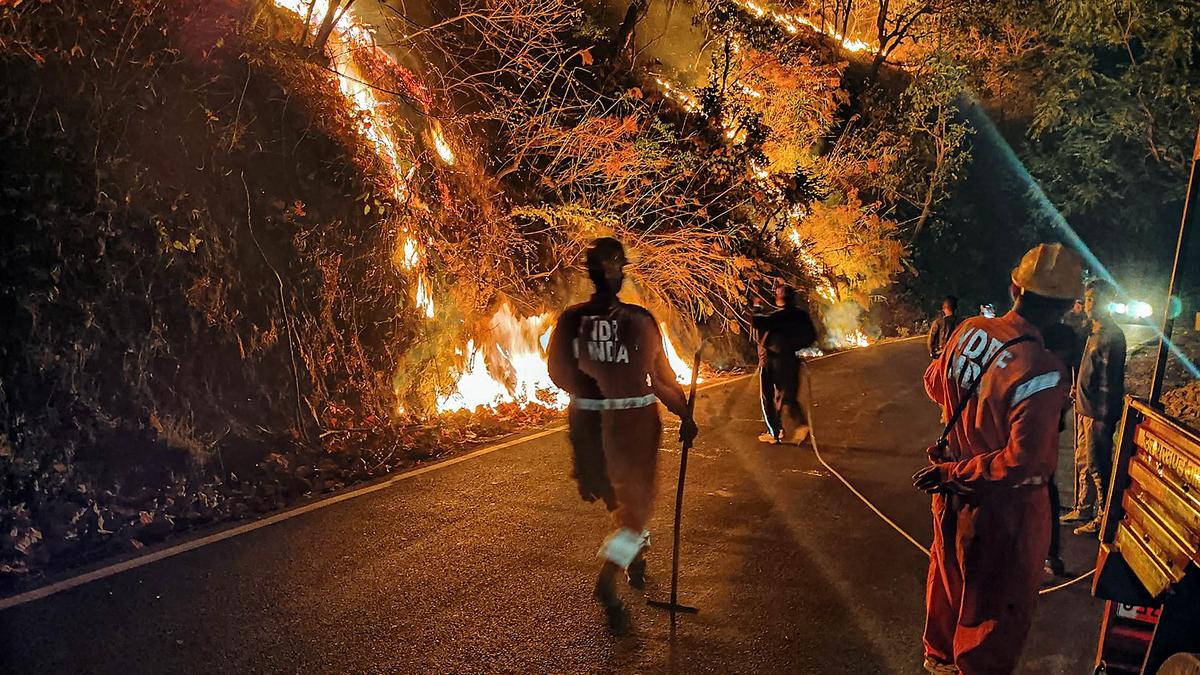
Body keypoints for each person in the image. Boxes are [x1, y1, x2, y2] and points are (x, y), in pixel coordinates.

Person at [915, 243, 1082, 674]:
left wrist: (956, 460)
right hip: (1002, 509)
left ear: (1014, 288)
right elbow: (1023, 463)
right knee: (993, 611)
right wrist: (963, 468)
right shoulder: (1042, 370)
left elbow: (935, 385)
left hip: (950, 493)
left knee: (949, 581)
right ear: (1067, 306)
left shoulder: (969, 329)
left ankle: (938, 661)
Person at [546, 237, 699, 626]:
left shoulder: (569, 320)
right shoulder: (641, 320)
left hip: (587, 425)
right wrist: (684, 414)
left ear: (591, 275)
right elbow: (661, 379)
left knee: (621, 505)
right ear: (620, 275)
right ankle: (608, 582)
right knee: (636, 508)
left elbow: (558, 374)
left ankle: (636, 558)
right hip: (633, 426)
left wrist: (591, 393)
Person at [1071, 279, 1127, 537]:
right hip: (1084, 409)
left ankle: (1103, 517)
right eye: (1088, 297)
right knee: (1083, 461)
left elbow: (1109, 381)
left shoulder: (1111, 336)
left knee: (1098, 464)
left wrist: (1104, 418)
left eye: (1095, 298)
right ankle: (1084, 507)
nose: (1089, 303)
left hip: (1097, 414)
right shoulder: (1092, 333)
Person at [751, 285, 817, 445]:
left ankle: (775, 432)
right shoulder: (801, 316)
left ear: (780, 299)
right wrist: (793, 347)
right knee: (787, 396)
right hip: (790, 359)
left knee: (768, 397)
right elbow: (811, 336)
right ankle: (800, 425)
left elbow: (757, 321)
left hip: (771, 361)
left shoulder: (777, 317)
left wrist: (756, 307)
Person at [1040, 322, 1080, 577]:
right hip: (1049, 428)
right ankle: (1051, 555)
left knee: (1037, 492)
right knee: (1047, 491)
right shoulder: (1065, 342)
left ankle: (1046, 554)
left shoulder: (1038, 356)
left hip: (1035, 431)